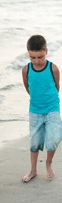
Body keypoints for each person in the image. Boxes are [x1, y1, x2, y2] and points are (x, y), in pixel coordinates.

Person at [22, 34, 62, 183]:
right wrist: (37, 101)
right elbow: (29, 88)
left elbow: (56, 87)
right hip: (35, 110)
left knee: (53, 139)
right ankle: (33, 170)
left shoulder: (53, 68)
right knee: (34, 142)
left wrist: (48, 102)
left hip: (52, 107)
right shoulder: (26, 70)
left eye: (40, 57)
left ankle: (48, 163)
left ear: (46, 51)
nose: (37, 61)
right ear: (28, 54)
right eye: (33, 57)